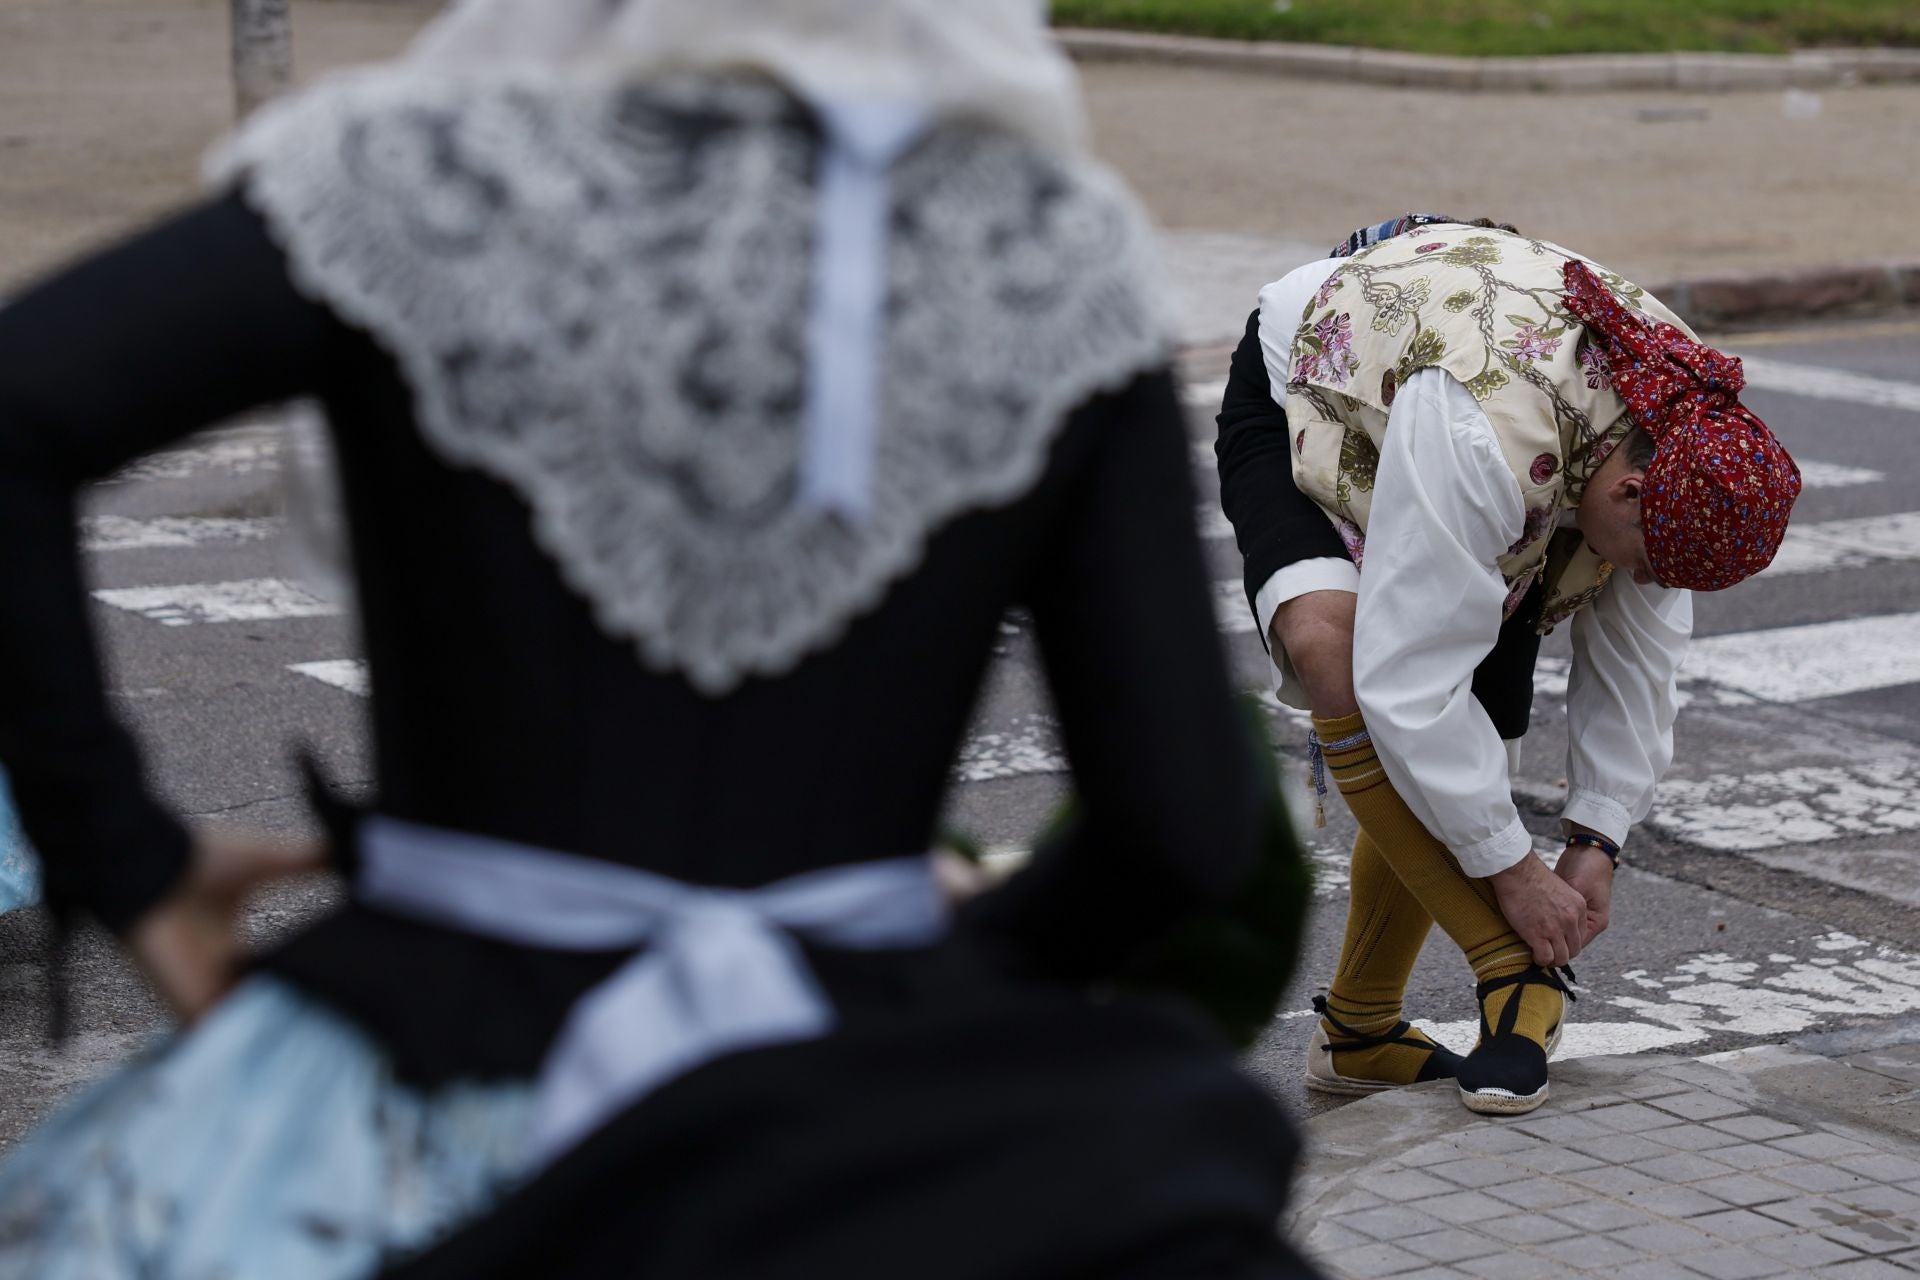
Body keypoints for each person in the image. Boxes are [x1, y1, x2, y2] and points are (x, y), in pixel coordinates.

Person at [0, 1, 1316, 1275]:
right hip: (863, 1137)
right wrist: (917, 966)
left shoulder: (407, 186)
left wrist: (125, 859)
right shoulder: (1039, 249)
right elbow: (1181, 828)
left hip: (413, 1105)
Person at [1215, 215, 1801, 1115]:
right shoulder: (1487, 436)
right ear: (1630, 490)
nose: (1640, 581)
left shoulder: (1683, 439)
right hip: (1315, 376)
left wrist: (1597, 840)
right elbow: (1407, 685)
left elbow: (1639, 663)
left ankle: (1360, 1037)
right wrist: (1514, 876)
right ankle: (1514, 979)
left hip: (1490, 406)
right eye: (1645, 562)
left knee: (1479, 731)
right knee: (1337, 647)